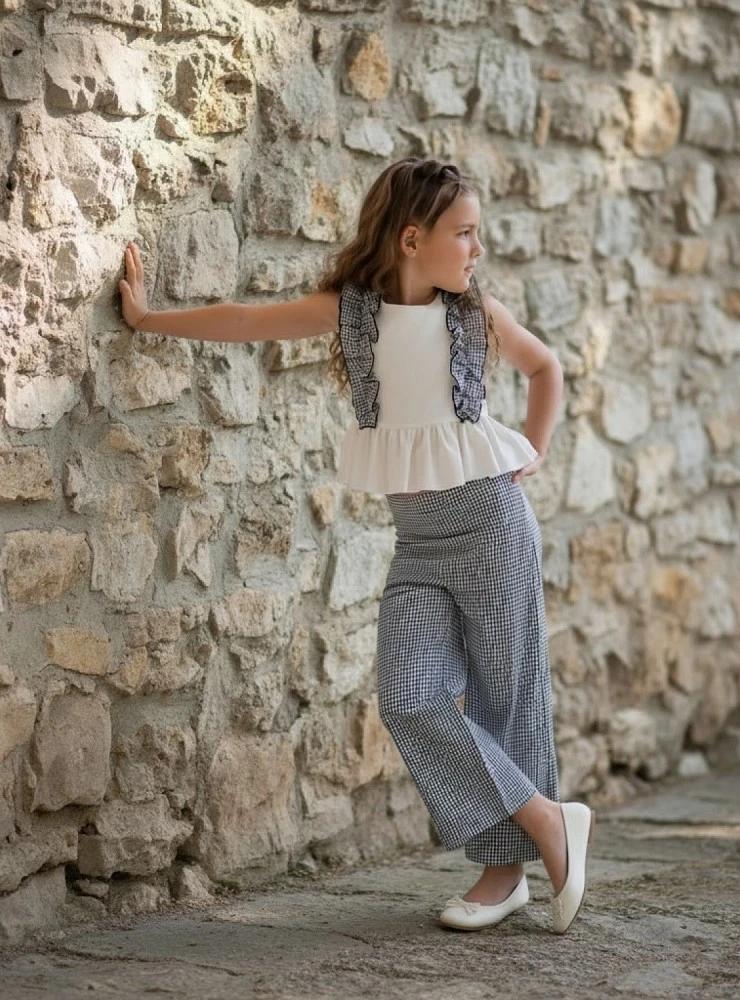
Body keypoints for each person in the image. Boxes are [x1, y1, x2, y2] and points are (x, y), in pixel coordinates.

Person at [119, 156, 595, 935]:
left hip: (491, 525)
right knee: (411, 697)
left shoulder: (474, 313)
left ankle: (504, 875)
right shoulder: (354, 312)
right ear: (411, 239)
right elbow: (245, 320)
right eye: (464, 234)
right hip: (420, 544)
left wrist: (530, 456)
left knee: (507, 698)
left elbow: (547, 370)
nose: (477, 250)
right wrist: (147, 320)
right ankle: (549, 820)